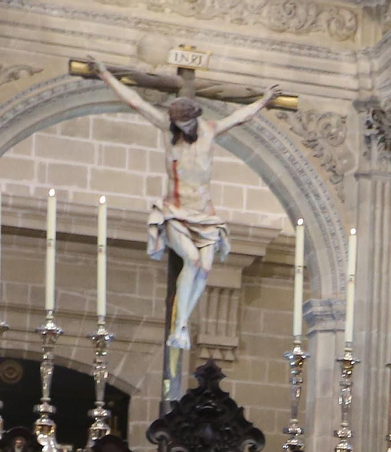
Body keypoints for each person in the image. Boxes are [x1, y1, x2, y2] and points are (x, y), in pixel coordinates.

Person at [87, 56, 278, 355]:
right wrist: (105, 74)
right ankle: (180, 327)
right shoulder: (168, 130)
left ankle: (183, 324)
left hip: (205, 214)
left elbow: (242, 116)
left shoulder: (211, 130)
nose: (181, 128)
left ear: (195, 118)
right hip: (174, 211)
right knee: (191, 260)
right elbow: (136, 102)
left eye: (185, 122)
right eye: (177, 123)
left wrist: (264, 101)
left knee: (204, 268)